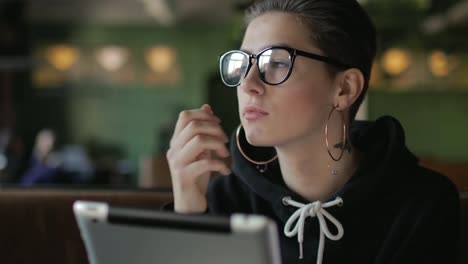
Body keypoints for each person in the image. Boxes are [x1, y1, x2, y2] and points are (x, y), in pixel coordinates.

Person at [166, 0, 461, 263]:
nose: (248, 83)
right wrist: (189, 214)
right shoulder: (225, 200)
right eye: (243, 63)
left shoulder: (421, 205)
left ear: (344, 88)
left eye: (276, 63)